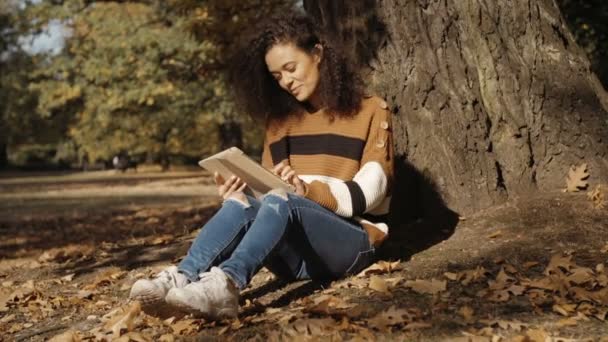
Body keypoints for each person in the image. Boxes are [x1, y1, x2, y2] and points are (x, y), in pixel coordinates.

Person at [129, 12, 394, 320]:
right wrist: (239, 194)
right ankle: (183, 276)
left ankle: (226, 285)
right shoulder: (279, 123)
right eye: (277, 76)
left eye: (290, 68)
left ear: (318, 54)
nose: (286, 82)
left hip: (352, 244)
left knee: (284, 199)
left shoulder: (371, 109)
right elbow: (268, 194)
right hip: (292, 258)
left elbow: (372, 191)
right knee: (242, 203)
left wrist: (307, 191)